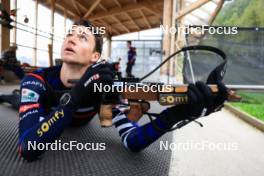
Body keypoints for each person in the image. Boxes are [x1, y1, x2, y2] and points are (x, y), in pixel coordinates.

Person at [15, 19, 228, 161]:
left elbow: (132, 141)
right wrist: (78, 93)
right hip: (44, 116)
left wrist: (174, 115)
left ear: (95, 57)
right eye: (70, 34)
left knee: (110, 115)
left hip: (76, 119)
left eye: (82, 37)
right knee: (13, 100)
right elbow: (28, 148)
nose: (71, 38)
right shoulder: (36, 80)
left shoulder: (104, 88)